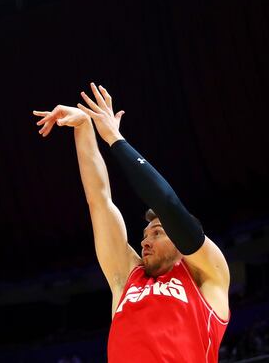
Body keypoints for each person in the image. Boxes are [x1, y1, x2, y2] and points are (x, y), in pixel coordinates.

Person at [33, 83, 230, 362]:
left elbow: (168, 205)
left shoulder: (208, 275)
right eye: (146, 233)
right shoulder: (127, 278)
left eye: (158, 232)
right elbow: (100, 201)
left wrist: (114, 137)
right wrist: (84, 129)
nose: (145, 240)